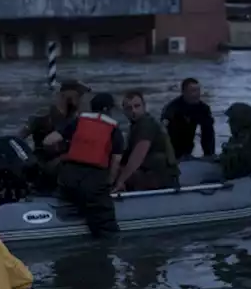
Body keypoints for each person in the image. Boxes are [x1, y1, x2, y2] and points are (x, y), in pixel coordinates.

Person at [43, 92, 124, 237]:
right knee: (107, 228)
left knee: (68, 197)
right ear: (108, 110)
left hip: (68, 178)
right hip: (93, 182)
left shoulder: (79, 122)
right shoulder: (114, 128)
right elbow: (116, 160)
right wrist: (110, 183)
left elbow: (48, 140)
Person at [19, 78, 90, 184]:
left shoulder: (76, 119)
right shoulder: (44, 115)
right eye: (78, 96)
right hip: (45, 164)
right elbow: (19, 138)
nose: (81, 100)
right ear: (66, 95)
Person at [115, 90, 179, 192]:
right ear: (124, 111)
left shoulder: (146, 125)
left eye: (137, 106)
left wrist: (120, 181)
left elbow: (137, 157)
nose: (134, 111)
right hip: (153, 173)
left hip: (160, 177)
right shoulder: (135, 126)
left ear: (144, 106)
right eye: (129, 108)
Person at [161, 77, 216, 159]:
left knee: (208, 127)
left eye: (198, 90)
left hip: (188, 149)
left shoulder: (203, 108)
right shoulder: (172, 108)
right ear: (184, 92)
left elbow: (208, 134)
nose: (197, 94)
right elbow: (162, 130)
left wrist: (209, 155)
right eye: (193, 91)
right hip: (171, 148)